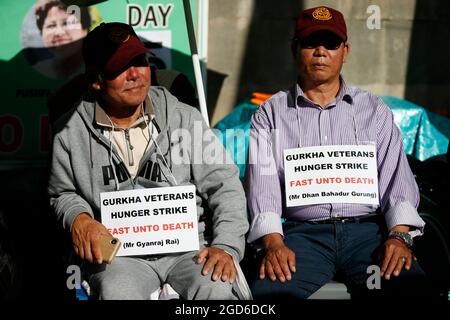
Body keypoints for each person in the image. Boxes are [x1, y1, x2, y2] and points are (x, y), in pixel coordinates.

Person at [48, 22, 249, 300]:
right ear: (96, 80)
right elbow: (62, 192)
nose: (135, 75)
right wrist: (78, 218)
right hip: (120, 256)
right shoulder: (69, 131)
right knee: (116, 292)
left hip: (190, 251)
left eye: (140, 61)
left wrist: (226, 246)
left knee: (216, 288)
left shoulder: (184, 118)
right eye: (120, 66)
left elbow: (225, 186)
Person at [245, 6, 432, 299]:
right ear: (295, 48)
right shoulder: (270, 114)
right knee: (269, 294)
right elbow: (263, 190)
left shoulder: (374, 109)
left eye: (331, 44)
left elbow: (397, 181)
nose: (321, 52)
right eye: (310, 43)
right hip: (302, 237)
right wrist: (273, 243)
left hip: (368, 236)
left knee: (410, 289)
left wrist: (399, 236)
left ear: (345, 52)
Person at [33, 0, 91, 79]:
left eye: (66, 23)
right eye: (51, 26)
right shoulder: (38, 70)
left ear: (85, 29)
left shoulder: (99, 65)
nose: (58, 32)